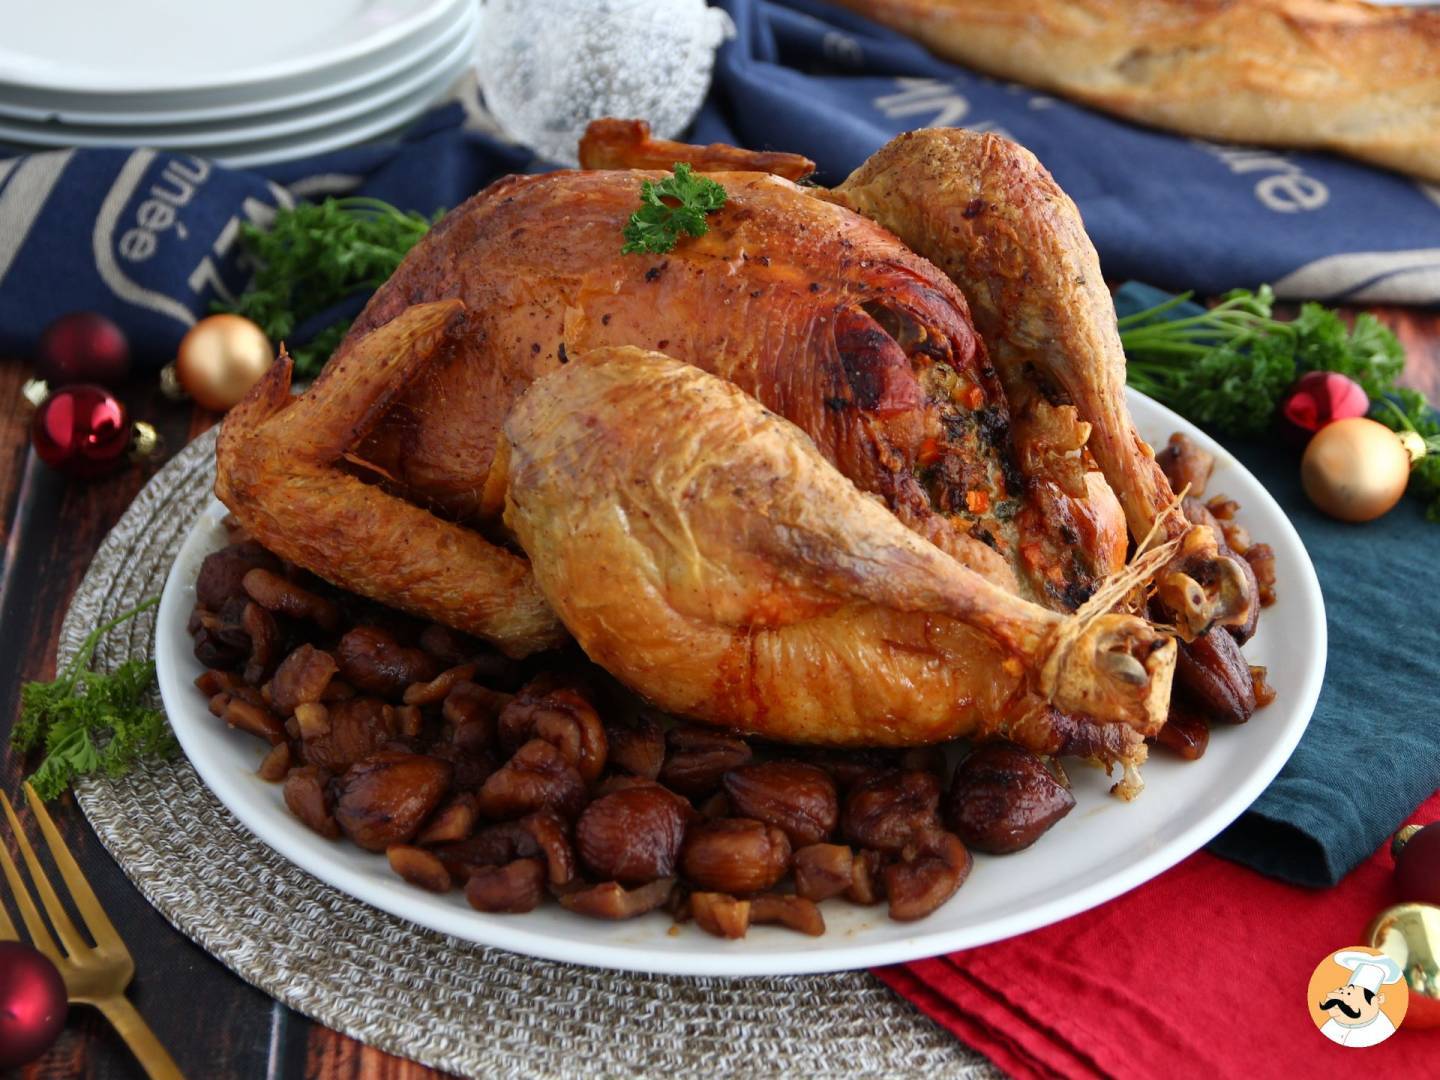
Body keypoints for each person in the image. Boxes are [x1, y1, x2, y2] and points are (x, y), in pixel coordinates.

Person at [1317, 951, 1404, 1047]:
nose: (1340, 999)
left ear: (1378, 1000)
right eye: (1342, 991)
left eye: (1349, 994)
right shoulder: (1333, 1022)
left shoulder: (1381, 1029)